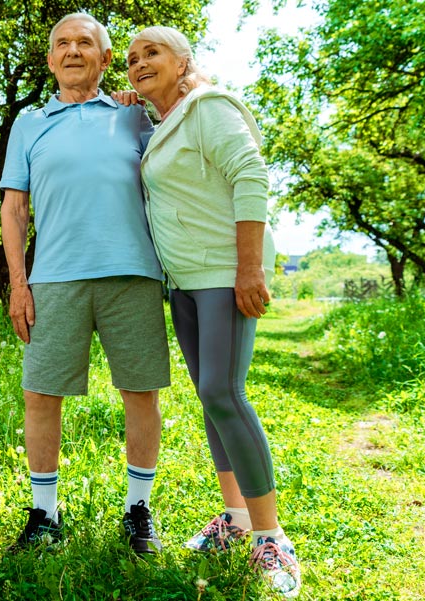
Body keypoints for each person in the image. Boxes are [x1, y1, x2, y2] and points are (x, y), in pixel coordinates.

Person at [120, 25, 302, 596]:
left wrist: (250, 268)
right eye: (130, 60)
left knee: (225, 394)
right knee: (209, 396)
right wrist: (138, 103)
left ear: (184, 61)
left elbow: (251, 177)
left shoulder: (210, 106)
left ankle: (271, 538)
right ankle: (237, 517)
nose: (139, 63)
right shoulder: (165, 122)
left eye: (152, 53)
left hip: (225, 276)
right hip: (185, 282)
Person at [0, 12, 171, 556]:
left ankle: (138, 511)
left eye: (85, 43)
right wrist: (18, 284)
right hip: (53, 279)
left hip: (133, 274)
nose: (73, 51)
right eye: (62, 44)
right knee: (40, 393)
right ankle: (44, 517)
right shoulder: (29, 123)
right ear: (50, 60)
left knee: (140, 391)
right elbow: (14, 209)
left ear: (103, 58)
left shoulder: (136, 115)